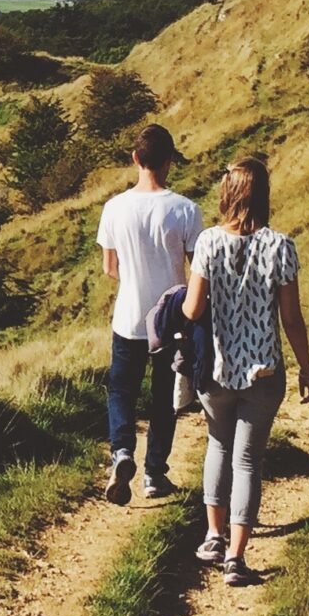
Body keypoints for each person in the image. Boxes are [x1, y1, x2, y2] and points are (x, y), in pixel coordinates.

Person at [182, 155, 309, 584]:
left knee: (218, 446)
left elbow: (193, 309)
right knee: (248, 461)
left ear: (228, 193)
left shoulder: (208, 242)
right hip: (264, 370)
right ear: (263, 195)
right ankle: (236, 559)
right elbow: (291, 318)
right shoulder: (281, 246)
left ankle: (213, 536)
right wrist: (306, 369)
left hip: (217, 369)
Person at [95, 122, 202, 504]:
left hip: (129, 316)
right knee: (163, 397)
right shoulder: (186, 210)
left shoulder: (114, 208)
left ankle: (122, 451)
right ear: (170, 160)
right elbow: (198, 270)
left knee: (121, 390)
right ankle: (155, 474)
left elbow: (110, 268)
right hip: (171, 319)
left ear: (135, 158)